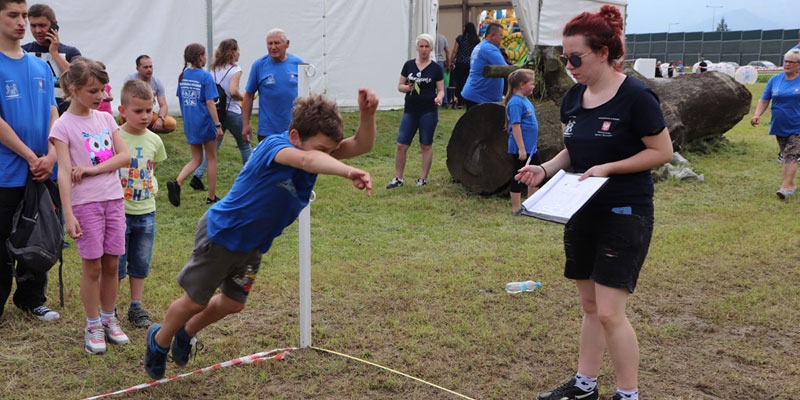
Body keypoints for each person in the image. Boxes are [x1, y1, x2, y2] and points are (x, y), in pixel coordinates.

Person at [143, 88, 378, 380]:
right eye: (323, 150)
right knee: (195, 301)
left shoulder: (316, 150)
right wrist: (346, 171)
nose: (329, 156)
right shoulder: (275, 148)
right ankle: (159, 341)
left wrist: (367, 115)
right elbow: (307, 162)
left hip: (253, 246)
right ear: (295, 136)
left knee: (233, 303)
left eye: (331, 151)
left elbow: (361, 144)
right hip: (221, 236)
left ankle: (186, 332)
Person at [515, 5, 672, 400]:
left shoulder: (636, 96)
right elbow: (573, 150)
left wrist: (610, 168)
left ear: (603, 52)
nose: (569, 65)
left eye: (576, 58)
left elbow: (662, 151)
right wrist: (545, 170)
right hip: (579, 210)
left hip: (624, 212)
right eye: (564, 58)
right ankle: (585, 386)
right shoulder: (573, 97)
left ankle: (628, 394)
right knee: (589, 305)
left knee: (608, 312)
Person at [50, 57, 132, 354]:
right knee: (93, 266)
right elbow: (62, 171)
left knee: (112, 264)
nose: (100, 97)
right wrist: (68, 214)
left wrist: (93, 170)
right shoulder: (63, 126)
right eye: (93, 91)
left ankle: (110, 319)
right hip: (85, 205)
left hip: (113, 200)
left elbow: (124, 157)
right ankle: (93, 323)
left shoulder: (107, 119)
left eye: (102, 90)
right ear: (73, 89)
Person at [0, 0, 60, 322]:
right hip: (6, 172)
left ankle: (31, 299)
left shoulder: (41, 67)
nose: (22, 22)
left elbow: (53, 112)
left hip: (41, 172)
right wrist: (28, 154)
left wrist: (51, 155)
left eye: (24, 15)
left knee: (38, 236)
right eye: (13, 15)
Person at [117, 79, 167, 328]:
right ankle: (110, 308)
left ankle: (136, 306)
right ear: (122, 111)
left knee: (140, 261)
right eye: (138, 111)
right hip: (119, 212)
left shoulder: (155, 141)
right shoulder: (115, 138)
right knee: (116, 263)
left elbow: (152, 168)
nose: (145, 116)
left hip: (146, 212)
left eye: (149, 110)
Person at [189, 38, 251, 192]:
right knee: (244, 145)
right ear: (232, 52)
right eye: (237, 50)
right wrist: (246, 97)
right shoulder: (235, 70)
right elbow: (233, 91)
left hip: (217, 113)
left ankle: (197, 176)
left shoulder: (213, 69)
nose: (239, 53)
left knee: (213, 148)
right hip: (232, 111)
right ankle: (251, 175)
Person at [165, 43, 224, 206]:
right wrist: (218, 125)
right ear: (200, 57)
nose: (206, 58)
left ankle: (177, 182)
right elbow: (210, 102)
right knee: (211, 158)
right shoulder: (205, 77)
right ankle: (211, 197)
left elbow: (182, 98)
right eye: (205, 54)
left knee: (196, 159)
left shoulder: (183, 76)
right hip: (205, 121)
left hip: (190, 122)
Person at [386, 34, 444, 189]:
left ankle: (422, 179)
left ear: (431, 48)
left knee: (426, 144)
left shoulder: (436, 68)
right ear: (417, 47)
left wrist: (439, 98)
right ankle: (398, 178)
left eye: (427, 46)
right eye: (421, 46)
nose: (424, 50)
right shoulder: (409, 65)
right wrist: (407, 87)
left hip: (428, 111)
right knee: (401, 145)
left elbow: (441, 90)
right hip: (410, 110)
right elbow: (400, 85)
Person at [750, 48, 800, 199]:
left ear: (799, 65)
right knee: (786, 155)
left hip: (797, 125)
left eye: (792, 62)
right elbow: (764, 99)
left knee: (791, 154)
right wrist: (757, 114)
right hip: (780, 124)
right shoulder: (775, 80)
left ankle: (784, 188)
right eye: (786, 61)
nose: (788, 64)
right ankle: (790, 184)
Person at [242, 28, 303, 143]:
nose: (273, 47)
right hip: (268, 131)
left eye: (277, 43)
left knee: (292, 161)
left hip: (294, 129)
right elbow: (248, 95)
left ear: (287, 44)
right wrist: (245, 124)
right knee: (270, 161)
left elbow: (306, 95)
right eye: (270, 43)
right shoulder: (259, 65)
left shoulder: (298, 64)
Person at [21, 3, 81, 113]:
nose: (38, 30)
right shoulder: (22, 51)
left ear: (54, 24)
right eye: (33, 26)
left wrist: (54, 53)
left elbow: (79, 79)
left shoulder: (71, 52)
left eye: (42, 25)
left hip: (65, 115)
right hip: (33, 113)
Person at [504, 69, 539, 214]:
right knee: (518, 176)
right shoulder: (515, 103)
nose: (534, 86)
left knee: (535, 175)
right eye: (532, 83)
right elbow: (515, 126)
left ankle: (531, 204)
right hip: (522, 149)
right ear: (522, 84)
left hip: (531, 148)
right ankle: (516, 207)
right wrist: (521, 148)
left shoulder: (525, 100)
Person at [122, 55, 177, 133]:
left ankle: (145, 130)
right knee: (123, 116)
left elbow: (163, 105)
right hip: (133, 113)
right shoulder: (130, 79)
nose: (149, 70)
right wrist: (148, 95)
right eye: (145, 67)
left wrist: (160, 119)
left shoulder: (157, 82)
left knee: (171, 123)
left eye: (150, 67)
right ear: (137, 68)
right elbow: (125, 101)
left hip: (148, 114)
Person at [460, 22, 507, 110]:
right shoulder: (489, 49)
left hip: (475, 93)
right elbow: (505, 69)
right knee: (480, 123)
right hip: (481, 96)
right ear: (492, 36)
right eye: (500, 35)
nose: (502, 38)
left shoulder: (481, 46)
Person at [449, 22, 480, 109]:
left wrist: (451, 61)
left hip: (460, 63)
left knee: (459, 83)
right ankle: (469, 101)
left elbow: (455, 50)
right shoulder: (476, 40)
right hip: (471, 63)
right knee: (469, 82)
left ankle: (460, 102)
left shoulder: (460, 38)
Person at [435, 31, 450, 107]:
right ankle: (445, 100)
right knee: (442, 82)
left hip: (432, 60)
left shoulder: (428, 37)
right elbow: (447, 52)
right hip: (440, 61)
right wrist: (448, 63)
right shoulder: (442, 37)